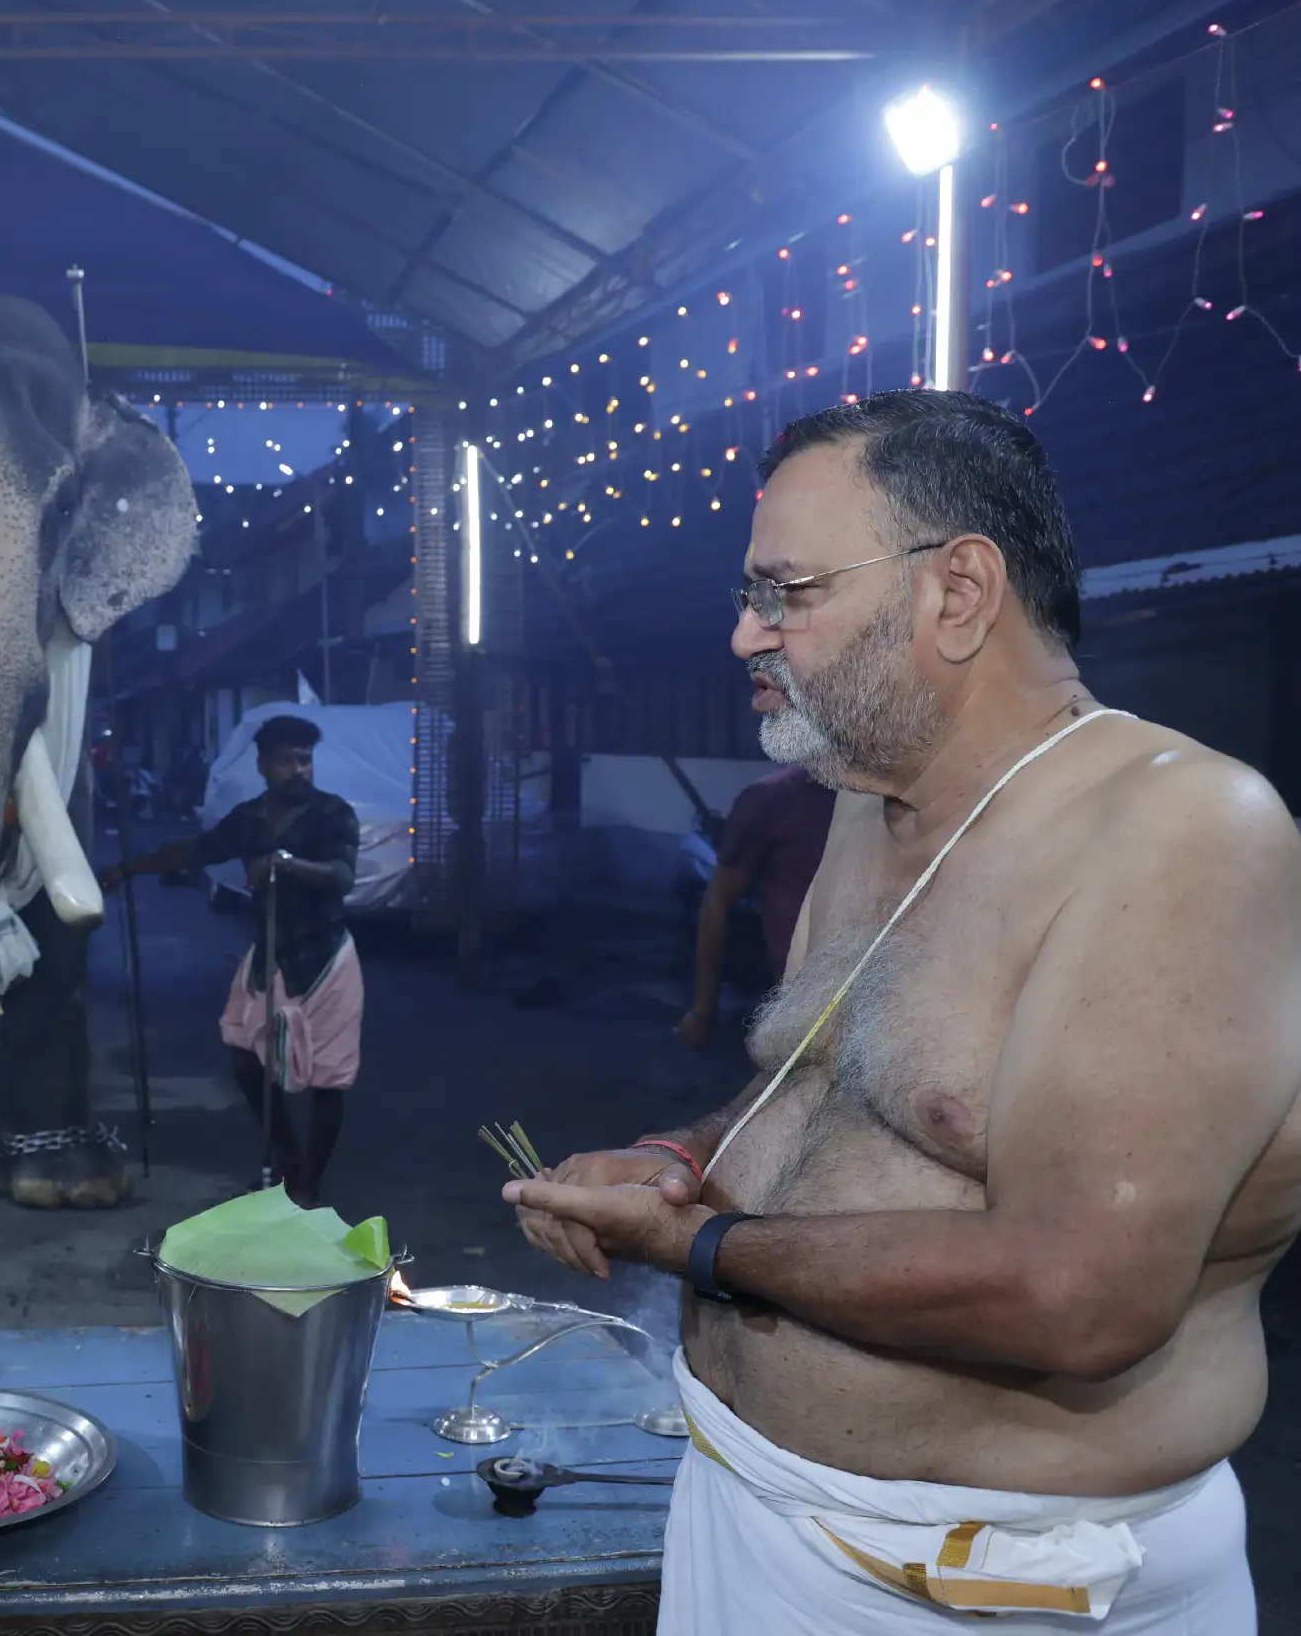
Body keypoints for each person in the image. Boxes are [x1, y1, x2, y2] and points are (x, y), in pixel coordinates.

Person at [502, 390, 1301, 1634]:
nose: (745, 634)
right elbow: (831, 1078)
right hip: (752, 1513)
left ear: (958, 590)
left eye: (787, 593)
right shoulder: (870, 802)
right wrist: (679, 1160)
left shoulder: (1184, 832)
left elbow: (1080, 1294)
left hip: (997, 1585)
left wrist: (695, 1244)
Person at [101, 714, 362, 1206]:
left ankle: (308, 1183)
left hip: (325, 956)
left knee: (329, 1078)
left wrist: (285, 863)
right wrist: (127, 868)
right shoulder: (249, 818)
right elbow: (196, 851)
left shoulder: (332, 813)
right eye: (286, 761)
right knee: (246, 1061)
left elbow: (342, 875)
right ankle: (288, 1159)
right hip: (272, 953)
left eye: (305, 760)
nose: (298, 770)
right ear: (263, 765)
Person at [674, 762, 834, 1049]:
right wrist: (704, 1010)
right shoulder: (774, 798)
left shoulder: (887, 796)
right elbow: (717, 902)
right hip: (804, 995)